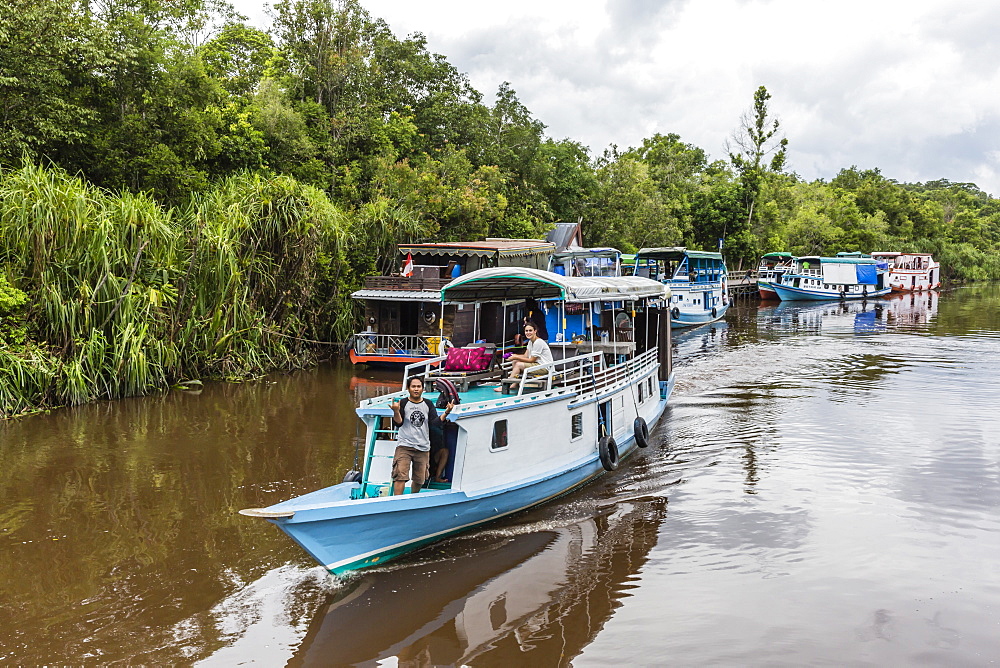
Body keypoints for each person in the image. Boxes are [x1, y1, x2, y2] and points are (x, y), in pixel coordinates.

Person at [391, 376, 453, 495]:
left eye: (418, 386)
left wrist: (447, 412)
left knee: (420, 479)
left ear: (422, 389)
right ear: (408, 388)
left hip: (423, 447)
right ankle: (397, 501)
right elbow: (398, 423)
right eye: (413, 386)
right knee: (400, 475)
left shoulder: (428, 404)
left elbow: (435, 422)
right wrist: (396, 411)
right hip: (405, 445)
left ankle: (413, 498)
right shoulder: (403, 403)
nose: (416, 389)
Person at [497, 320, 552, 391]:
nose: (528, 333)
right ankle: (514, 384)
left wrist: (515, 356)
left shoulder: (538, 342)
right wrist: (513, 356)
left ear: (535, 331)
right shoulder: (530, 342)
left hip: (545, 367)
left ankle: (508, 385)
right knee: (515, 362)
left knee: (518, 365)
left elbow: (532, 360)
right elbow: (525, 356)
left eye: (530, 330)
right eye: (526, 331)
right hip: (538, 365)